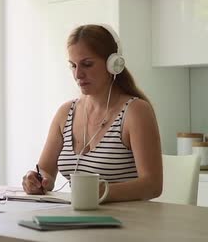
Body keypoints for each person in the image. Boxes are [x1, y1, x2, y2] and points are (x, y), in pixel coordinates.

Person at [22, 24, 163, 202]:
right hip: (78, 220)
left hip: (126, 223)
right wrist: (35, 179)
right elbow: (45, 171)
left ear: (113, 64)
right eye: (73, 66)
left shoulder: (135, 112)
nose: (78, 74)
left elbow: (153, 185)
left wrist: (102, 191)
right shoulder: (65, 113)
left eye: (87, 64)